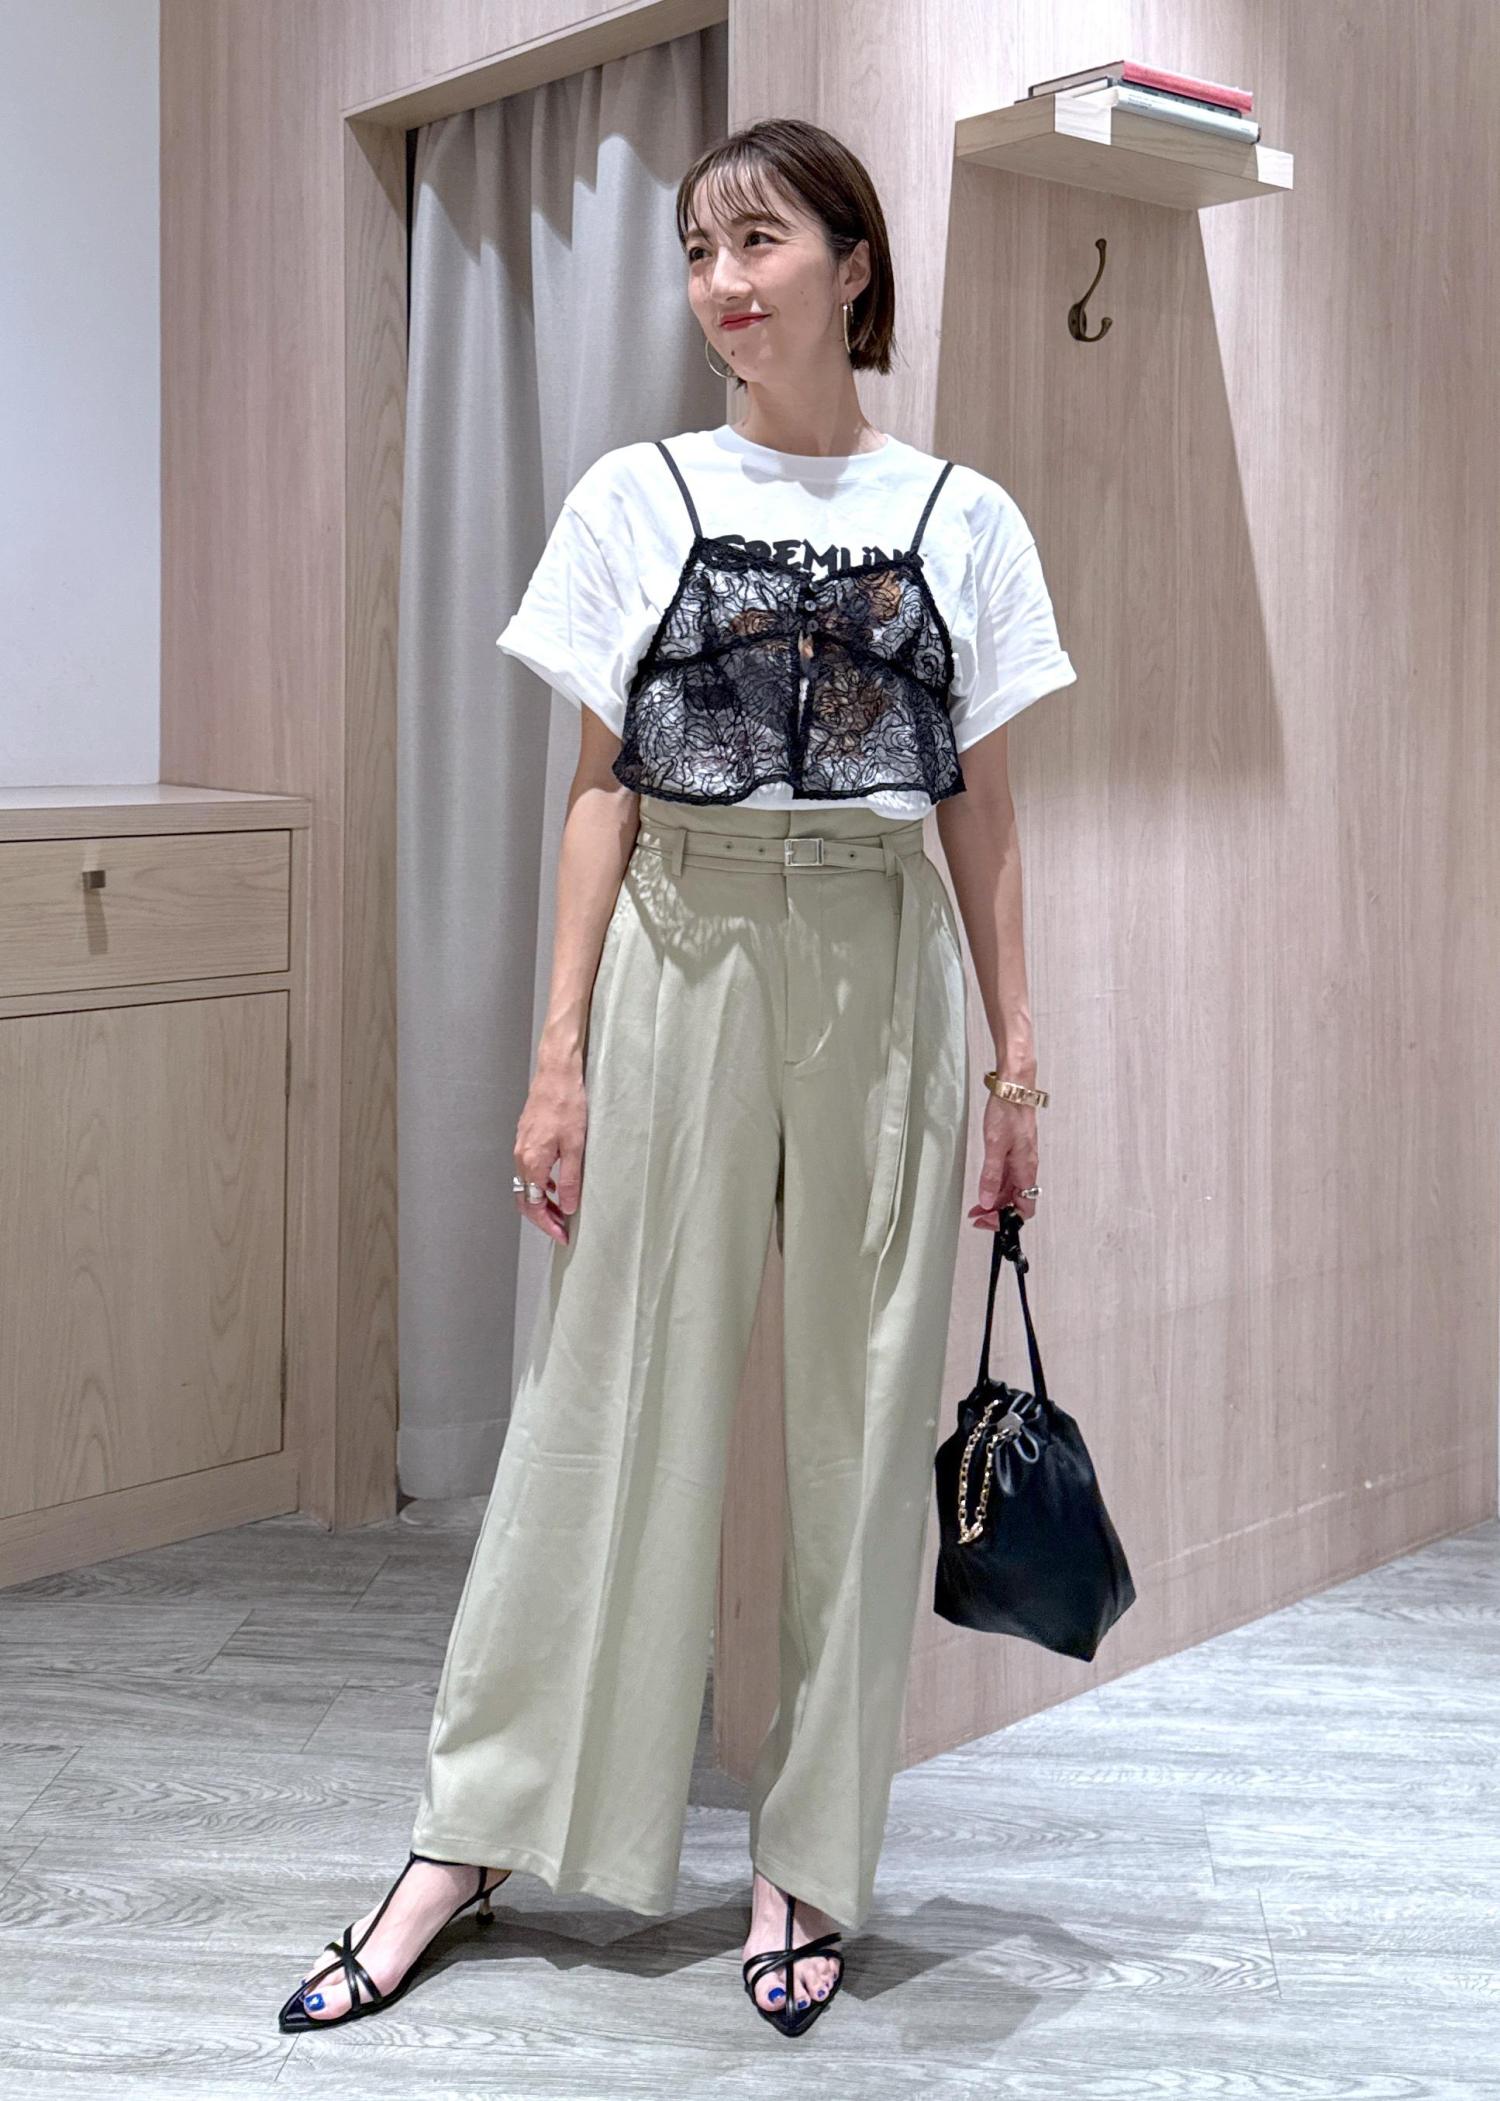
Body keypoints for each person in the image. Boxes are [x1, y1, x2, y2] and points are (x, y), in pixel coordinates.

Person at [278, 114, 1074, 2043]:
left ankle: (810, 1853)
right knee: (606, 1392)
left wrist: (1018, 1058)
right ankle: (472, 1832)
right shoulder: (634, 492)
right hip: (680, 945)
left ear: (853, 265)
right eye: (701, 249)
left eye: (761, 240)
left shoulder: (963, 514)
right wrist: (554, 1056)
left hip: (880, 959)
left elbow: (977, 810)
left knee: (865, 1424)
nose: (723, 282)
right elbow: (599, 792)